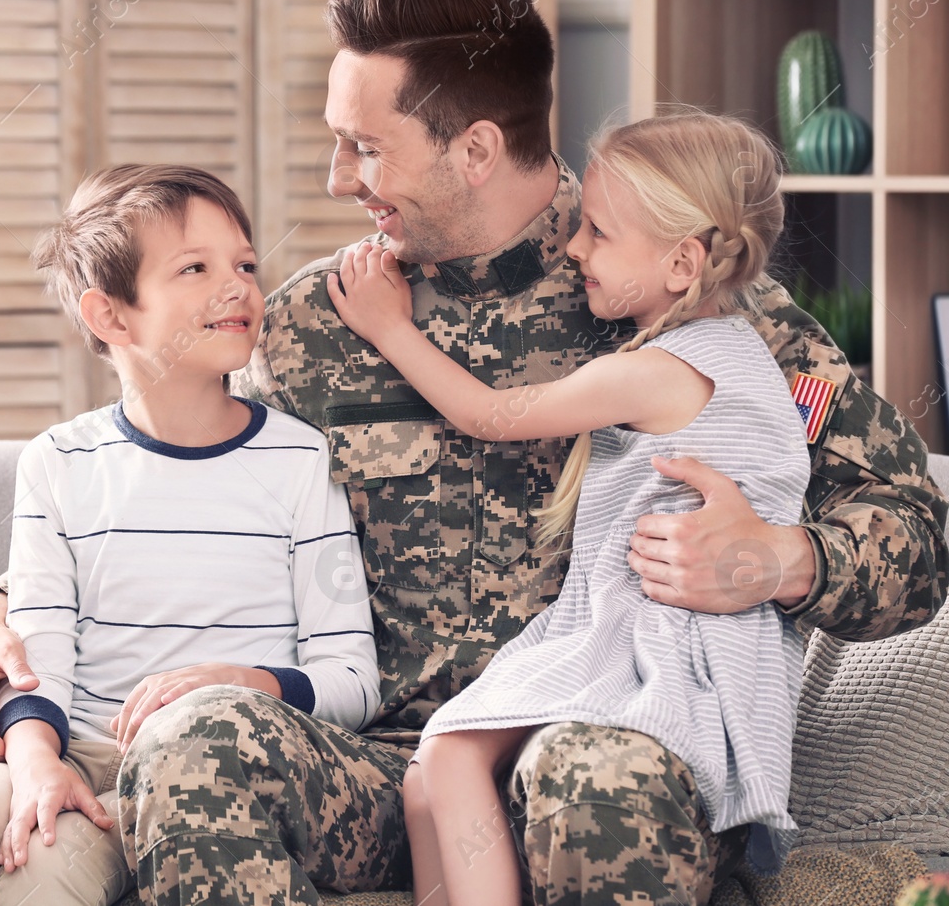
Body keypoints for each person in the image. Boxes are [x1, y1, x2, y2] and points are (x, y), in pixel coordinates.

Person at [0, 0, 949, 906]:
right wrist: (3, 608)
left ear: (473, 148)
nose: (338, 177)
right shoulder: (314, 325)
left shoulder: (697, 310)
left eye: (367, 145)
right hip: (389, 770)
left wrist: (780, 558)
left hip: (619, 745)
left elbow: (916, 533)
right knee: (192, 741)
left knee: (585, 772)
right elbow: (172, 469)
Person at [0, 163, 379, 906]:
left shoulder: (301, 460)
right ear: (111, 316)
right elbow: (38, 650)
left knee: (41, 876)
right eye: (194, 268)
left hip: (199, 776)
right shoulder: (57, 462)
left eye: (244, 263)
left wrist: (240, 680)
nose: (237, 285)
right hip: (69, 748)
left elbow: (353, 681)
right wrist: (38, 762)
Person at [327, 109, 810, 906]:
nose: (573, 247)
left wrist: (390, 329)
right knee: (426, 778)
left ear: (682, 263)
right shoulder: (732, 351)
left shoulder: (664, 369)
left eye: (598, 231)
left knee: (445, 760)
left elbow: (489, 415)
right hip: (655, 629)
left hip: (661, 640)